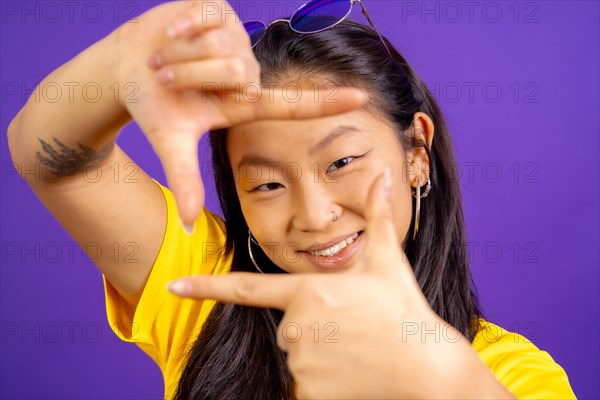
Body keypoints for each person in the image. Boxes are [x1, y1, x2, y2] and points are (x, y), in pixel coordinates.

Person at [7, 1, 576, 399]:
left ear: (416, 152)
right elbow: (50, 156)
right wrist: (125, 58)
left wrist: (449, 385)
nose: (313, 215)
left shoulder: (508, 373)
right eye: (267, 185)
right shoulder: (207, 298)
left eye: (342, 163)